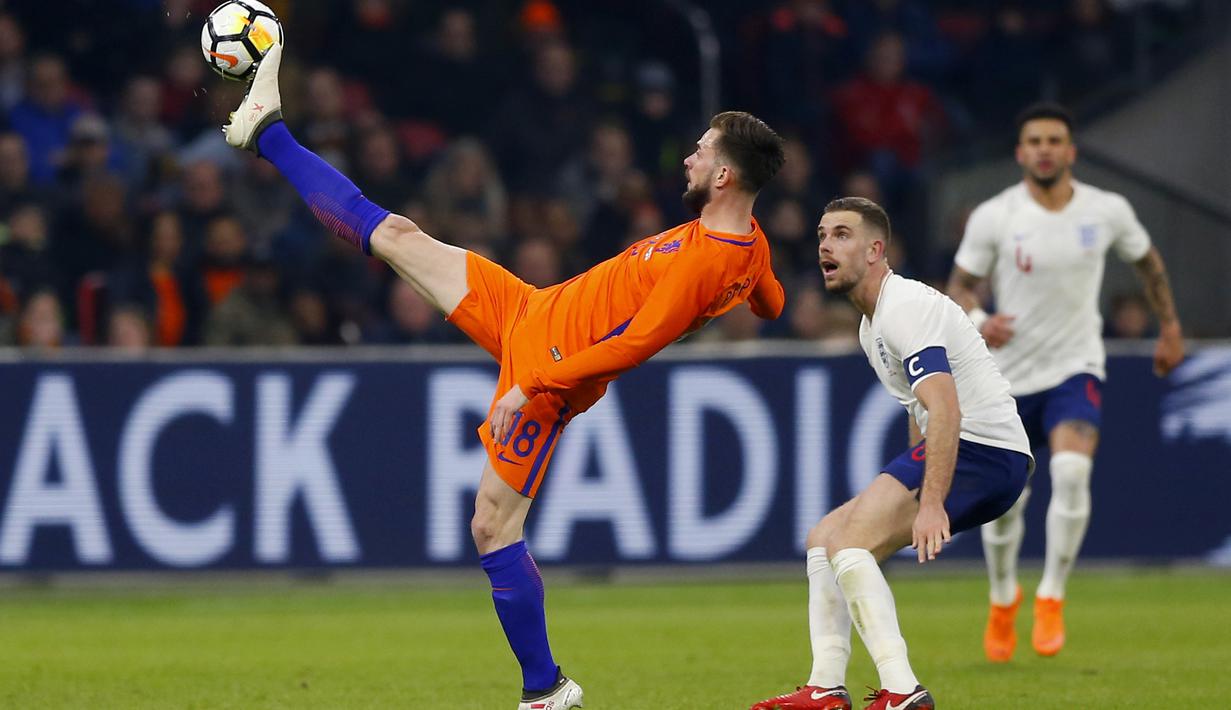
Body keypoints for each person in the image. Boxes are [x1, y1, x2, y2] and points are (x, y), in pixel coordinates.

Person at [222, 43, 786, 710]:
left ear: (724, 175)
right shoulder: (748, 247)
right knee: (397, 235)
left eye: (700, 151)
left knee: (492, 525)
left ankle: (544, 688)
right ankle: (269, 132)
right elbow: (772, 303)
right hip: (529, 308)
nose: (688, 158)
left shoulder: (707, 260)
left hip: (549, 368)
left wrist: (534, 385)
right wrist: (748, 289)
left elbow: (635, 344)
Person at [751, 198, 1032, 710]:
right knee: (824, 539)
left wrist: (931, 502)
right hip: (975, 451)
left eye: (841, 234)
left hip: (985, 451)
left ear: (875, 250)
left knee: (850, 544)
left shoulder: (904, 308)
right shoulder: (871, 324)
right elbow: (919, 409)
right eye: (822, 235)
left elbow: (945, 408)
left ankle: (903, 690)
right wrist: (914, 484)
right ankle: (825, 685)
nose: (825, 246)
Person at [946, 102, 1184, 662]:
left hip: (1076, 368)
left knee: (1073, 473)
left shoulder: (1106, 210)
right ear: (1020, 152)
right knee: (1006, 504)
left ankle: (1051, 595)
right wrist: (979, 319)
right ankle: (1003, 598)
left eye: (1055, 140)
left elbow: (1148, 263)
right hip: (1006, 379)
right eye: (1035, 141)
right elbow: (959, 285)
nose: (1045, 149)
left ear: (1071, 151)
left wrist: (1170, 326)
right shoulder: (996, 216)